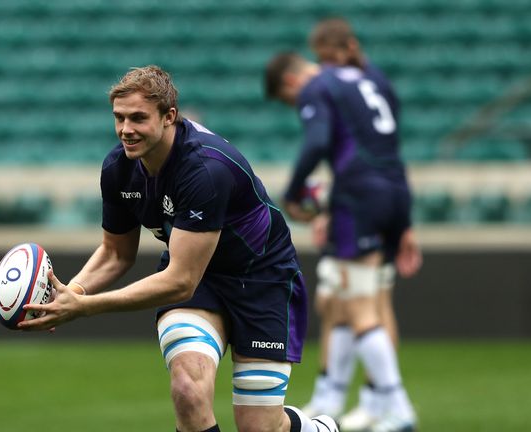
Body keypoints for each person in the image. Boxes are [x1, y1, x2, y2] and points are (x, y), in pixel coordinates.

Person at [19, 65, 339, 432]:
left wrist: (85, 307)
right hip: (199, 280)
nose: (126, 129)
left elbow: (179, 282)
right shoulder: (118, 169)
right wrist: (70, 293)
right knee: (187, 390)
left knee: (259, 427)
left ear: (170, 116)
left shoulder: (205, 168)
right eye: (119, 118)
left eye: (138, 118)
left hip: (261, 278)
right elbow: (116, 253)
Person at [264, 23, 420, 432]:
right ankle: (335, 400)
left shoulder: (320, 84)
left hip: (359, 196)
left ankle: (397, 407)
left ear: (294, 79)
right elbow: (384, 138)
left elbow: (318, 142)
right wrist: (402, 222)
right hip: (393, 190)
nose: (295, 103)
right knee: (342, 299)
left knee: (357, 304)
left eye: (289, 98)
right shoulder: (373, 78)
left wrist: (294, 190)